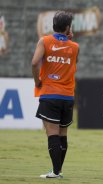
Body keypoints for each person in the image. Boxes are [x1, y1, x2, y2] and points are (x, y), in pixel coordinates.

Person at [31, 11, 79, 179]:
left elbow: (35, 62)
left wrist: (37, 81)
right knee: (63, 134)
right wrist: (69, 38)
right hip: (67, 96)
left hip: (50, 93)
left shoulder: (44, 41)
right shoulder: (75, 47)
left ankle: (56, 172)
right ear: (68, 28)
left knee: (51, 133)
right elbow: (73, 63)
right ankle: (58, 171)